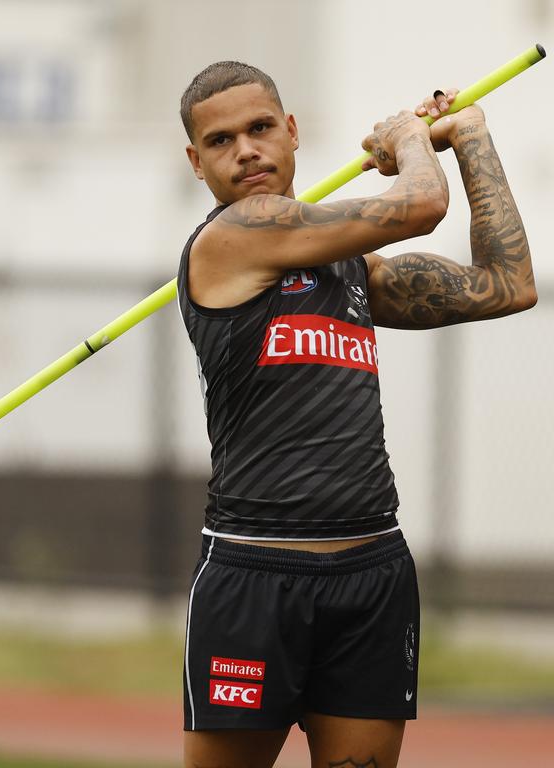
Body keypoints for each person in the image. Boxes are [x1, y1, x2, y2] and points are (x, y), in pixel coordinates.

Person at [176, 61, 536, 768]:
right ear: (196, 162)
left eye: (260, 128)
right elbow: (418, 207)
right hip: (256, 572)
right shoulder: (234, 236)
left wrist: (470, 136)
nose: (246, 149)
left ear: (292, 132)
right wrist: (407, 137)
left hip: (371, 571)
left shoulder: (354, 275)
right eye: (221, 141)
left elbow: (508, 284)